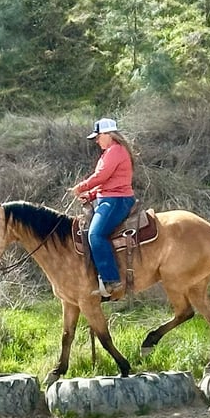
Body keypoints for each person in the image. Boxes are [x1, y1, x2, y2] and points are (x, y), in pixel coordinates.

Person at [70, 117, 136, 298]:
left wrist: (81, 187)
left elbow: (101, 176)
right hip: (110, 197)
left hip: (117, 200)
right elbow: (107, 181)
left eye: (98, 137)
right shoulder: (111, 152)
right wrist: (90, 195)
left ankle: (111, 279)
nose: (97, 141)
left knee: (95, 234)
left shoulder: (115, 151)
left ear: (109, 134)